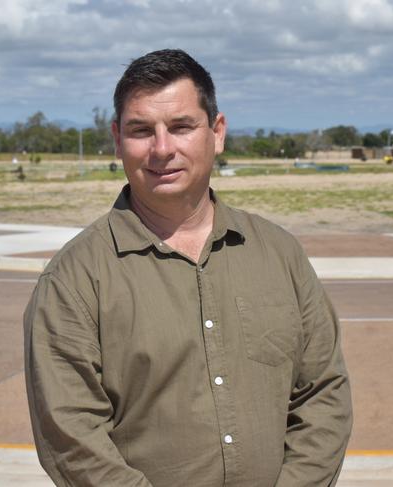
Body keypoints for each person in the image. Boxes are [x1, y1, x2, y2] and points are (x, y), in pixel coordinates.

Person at [24, 48, 352, 487]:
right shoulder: (74, 279)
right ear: (118, 138)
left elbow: (323, 394)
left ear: (216, 132)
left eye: (181, 127)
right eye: (142, 131)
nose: (162, 149)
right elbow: (70, 436)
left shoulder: (280, 254)